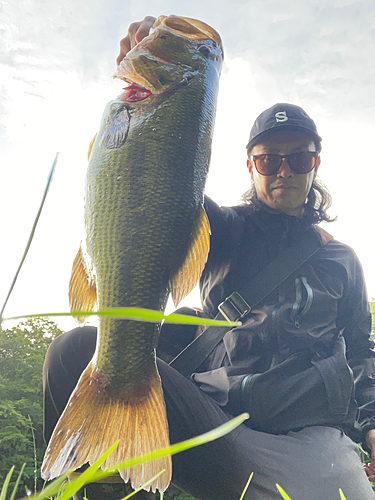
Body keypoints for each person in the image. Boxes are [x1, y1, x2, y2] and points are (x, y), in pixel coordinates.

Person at [43, 17, 375, 500]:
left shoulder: (341, 260)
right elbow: (158, 191)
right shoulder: (223, 228)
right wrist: (148, 73)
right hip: (217, 431)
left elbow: (361, 350)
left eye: (298, 158)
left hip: (311, 444)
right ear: (250, 165)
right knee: (73, 352)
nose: (283, 170)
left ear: (314, 164)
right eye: (268, 159)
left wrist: (371, 423)